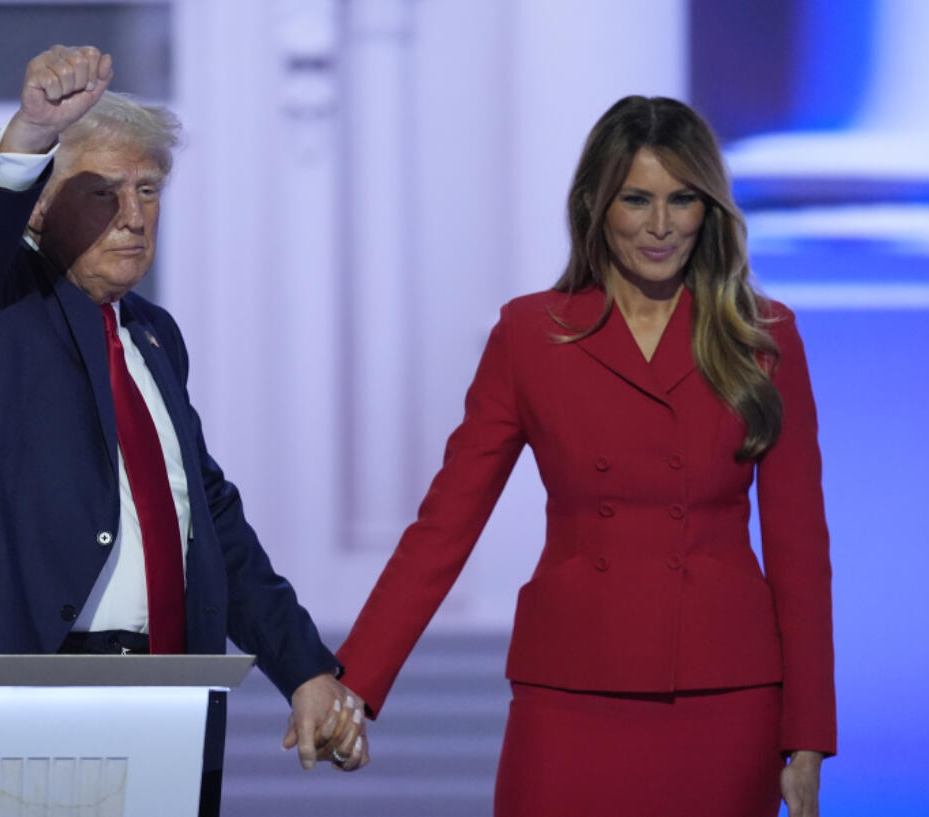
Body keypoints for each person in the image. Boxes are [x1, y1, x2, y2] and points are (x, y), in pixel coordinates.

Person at [0, 45, 368, 772]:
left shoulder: (153, 335)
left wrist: (305, 667)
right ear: (40, 202)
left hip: (160, 695)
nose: (133, 217)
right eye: (103, 192)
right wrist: (31, 134)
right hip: (8, 685)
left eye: (149, 191)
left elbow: (208, 515)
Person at [336, 96, 835, 815]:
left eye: (681, 200)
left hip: (725, 696)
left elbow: (799, 550)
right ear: (596, 205)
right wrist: (357, 681)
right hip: (571, 690)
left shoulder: (762, 336)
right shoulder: (531, 334)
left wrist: (809, 734)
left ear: (710, 210)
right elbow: (444, 528)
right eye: (636, 199)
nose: (660, 226)